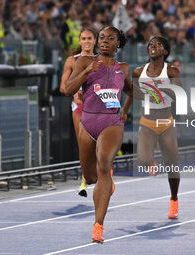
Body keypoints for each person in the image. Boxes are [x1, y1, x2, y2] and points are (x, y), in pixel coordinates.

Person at [65, 26, 133, 243]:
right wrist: (86, 72)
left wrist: (124, 111)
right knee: (92, 176)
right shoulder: (85, 62)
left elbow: (131, 90)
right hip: (88, 122)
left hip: (111, 123)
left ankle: (98, 227)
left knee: (104, 164)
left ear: (118, 43)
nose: (104, 41)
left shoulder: (123, 68)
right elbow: (67, 90)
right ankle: (106, 183)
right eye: (101, 38)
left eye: (109, 38)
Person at [133, 36, 182, 219]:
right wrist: (144, 95)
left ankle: (174, 200)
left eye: (158, 44)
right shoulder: (139, 72)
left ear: (166, 51)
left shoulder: (171, 71)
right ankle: (152, 160)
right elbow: (132, 91)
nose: (153, 47)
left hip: (166, 122)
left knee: (172, 165)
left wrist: (161, 91)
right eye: (150, 44)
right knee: (143, 161)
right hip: (147, 122)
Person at [59, 28, 97, 198]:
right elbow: (63, 87)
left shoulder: (102, 61)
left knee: (98, 145)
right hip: (79, 108)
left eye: (90, 38)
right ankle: (85, 181)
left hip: (97, 109)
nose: (87, 41)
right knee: (84, 146)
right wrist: (76, 91)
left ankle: (102, 175)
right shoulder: (72, 61)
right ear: (80, 41)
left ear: (95, 41)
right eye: (84, 38)